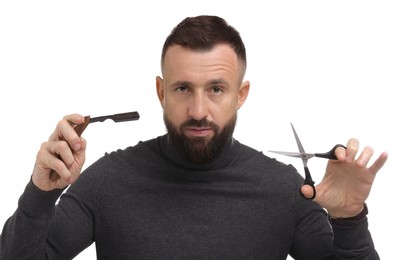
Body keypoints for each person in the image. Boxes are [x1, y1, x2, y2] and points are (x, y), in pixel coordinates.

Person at [0, 15, 388, 260]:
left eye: (216, 89)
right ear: (160, 92)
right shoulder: (109, 179)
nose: (199, 110)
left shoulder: (285, 190)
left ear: (241, 94)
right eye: (183, 88)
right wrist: (40, 192)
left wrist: (350, 219)